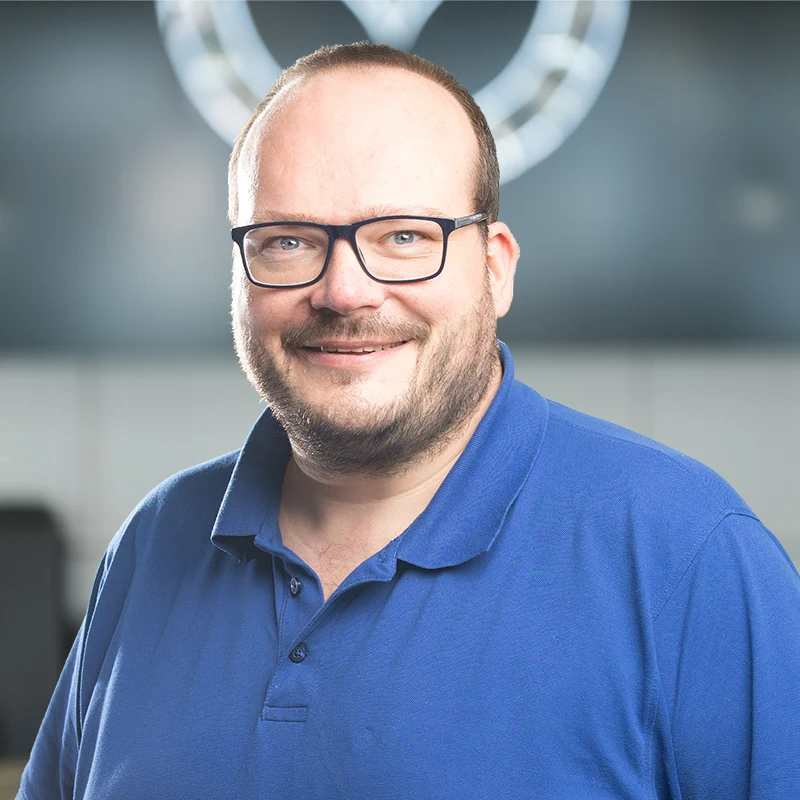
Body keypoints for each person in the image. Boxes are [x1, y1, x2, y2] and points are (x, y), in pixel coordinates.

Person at [19, 43, 800, 800]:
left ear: (495, 268)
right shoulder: (153, 543)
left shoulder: (691, 560)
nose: (345, 291)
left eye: (403, 238)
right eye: (288, 240)